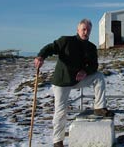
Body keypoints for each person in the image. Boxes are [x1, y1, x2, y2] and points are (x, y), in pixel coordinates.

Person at [34, 19, 114, 147]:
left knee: (99, 77)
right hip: (62, 81)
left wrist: (85, 71)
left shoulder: (91, 47)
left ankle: (99, 108)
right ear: (78, 30)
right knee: (61, 112)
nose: (86, 32)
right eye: (83, 29)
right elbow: (51, 47)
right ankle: (57, 141)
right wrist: (41, 56)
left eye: (88, 30)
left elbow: (94, 65)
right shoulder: (66, 41)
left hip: (78, 79)